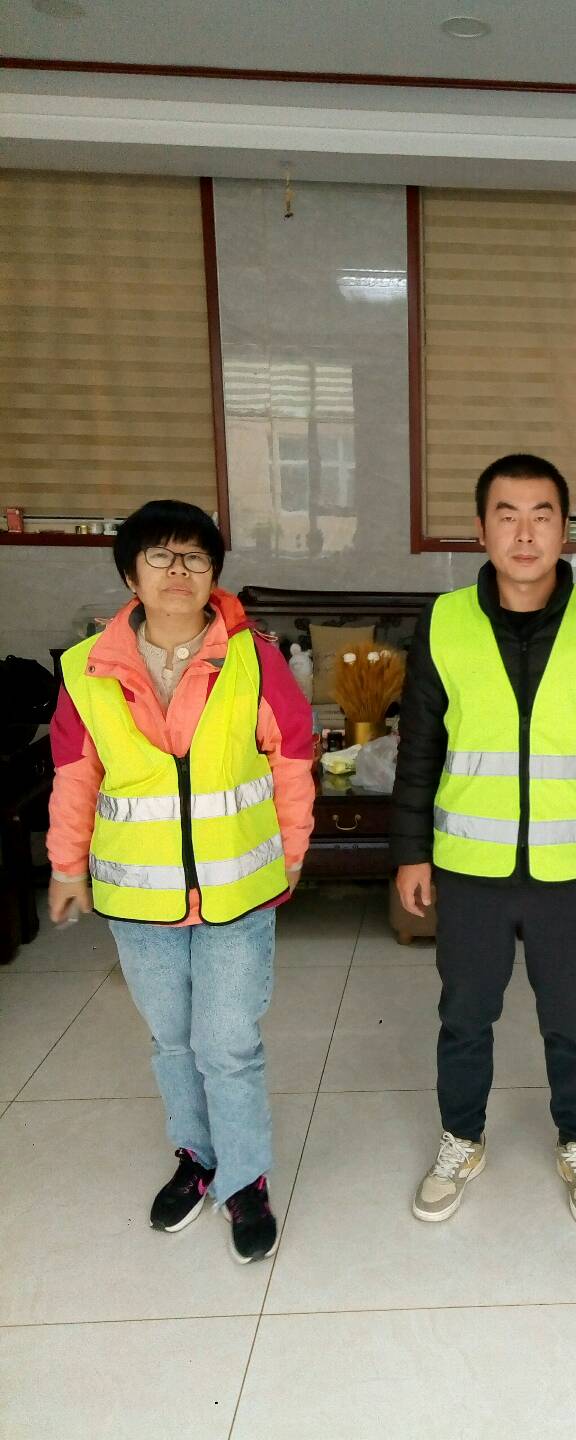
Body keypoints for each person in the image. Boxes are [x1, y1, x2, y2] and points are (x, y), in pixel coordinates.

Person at [392, 454, 576, 1230]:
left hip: (574, 869)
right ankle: (462, 1138)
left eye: (541, 515)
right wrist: (411, 851)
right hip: (469, 867)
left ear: (564, 529)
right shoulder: (445, 620)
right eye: (506, 515)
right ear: (481, 529)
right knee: (465, 1015)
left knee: (573, 1020)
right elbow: (419, 746)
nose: (524, 532)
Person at [47, 500, 315, 1263]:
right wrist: (66, 865)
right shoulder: (86, 668)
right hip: (141, 897)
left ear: (213, 574)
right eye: (160, 556)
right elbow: (75, 774)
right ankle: (196, 1158)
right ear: (130, 574)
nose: (178, 571)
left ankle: (245, 1178)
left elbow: (292, 756)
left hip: (236, 890)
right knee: (171, 1040)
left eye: (195, 558)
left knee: (227, 1043)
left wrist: (292, 850)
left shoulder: (253, 657)